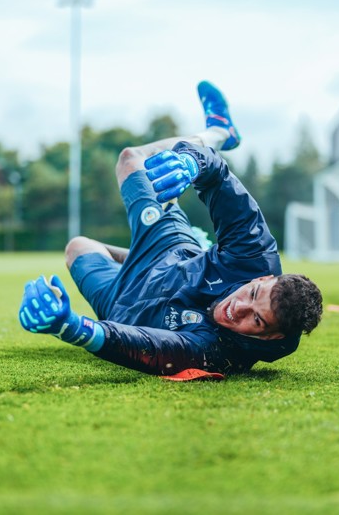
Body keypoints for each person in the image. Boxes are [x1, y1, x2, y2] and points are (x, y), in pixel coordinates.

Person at [18, 81, 323, 378]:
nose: (238, 307)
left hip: (119, 309)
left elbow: (153, 346)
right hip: (171, 252)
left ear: (269, 337)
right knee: (130, 159)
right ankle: (218, 133)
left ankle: (140, 260)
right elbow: (220, 180)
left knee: (77, 247)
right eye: (253, 292)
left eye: (256, 320)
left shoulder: (221, 352)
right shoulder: (254, 255)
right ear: (263, 277)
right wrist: (191, 161)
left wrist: (74, 328)